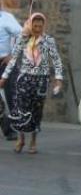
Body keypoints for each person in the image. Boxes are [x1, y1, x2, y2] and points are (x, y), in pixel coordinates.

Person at [0, 13, 63, 154]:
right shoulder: (23, 40)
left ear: (43, 26)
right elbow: (13, 58)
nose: (37, 29)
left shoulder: (48, 41)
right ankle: (21, 139)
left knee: (36, 111)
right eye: (35, 26)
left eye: (40, 26)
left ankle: (33, 140)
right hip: (24, 79)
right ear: (30, 25)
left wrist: (58, 79)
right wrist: (4, 77)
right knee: (21, 110)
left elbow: (57, 61)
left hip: (41, 80)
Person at [0, 0, 22, 141]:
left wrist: (13, 54)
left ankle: (14, 128)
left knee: (11, 96)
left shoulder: (7, 18)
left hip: (5, 63)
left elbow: (22, 35)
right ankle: (8, 128)